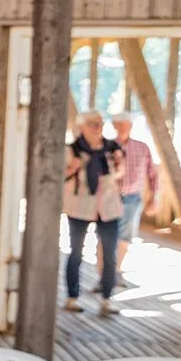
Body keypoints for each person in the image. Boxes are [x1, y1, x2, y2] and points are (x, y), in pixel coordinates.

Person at [63, 111, 125, 315]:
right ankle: (72, 296)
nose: (97, 127)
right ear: (82, 127)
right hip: (80, 207)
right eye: (91, 124)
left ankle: (107, 298)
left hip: (107, 207)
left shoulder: (112, 149)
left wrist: (119, 164)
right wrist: (73, 168)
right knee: (76, 252)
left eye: (99, 123)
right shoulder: (72, 150)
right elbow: (59, 175)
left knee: (109, 253)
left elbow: (121, 173)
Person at [111, 114, 159, 270]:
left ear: (131, 126)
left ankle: (117, 270)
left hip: (132, 198)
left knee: (125, 236)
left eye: (127, 125)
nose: (124, 128)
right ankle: (105, 273)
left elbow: (152, 174)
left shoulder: (142, 147)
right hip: (110, 198)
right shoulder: (107, 146)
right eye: (121, 124)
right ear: (114, 126)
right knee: (107, 235)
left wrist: (154, 197)